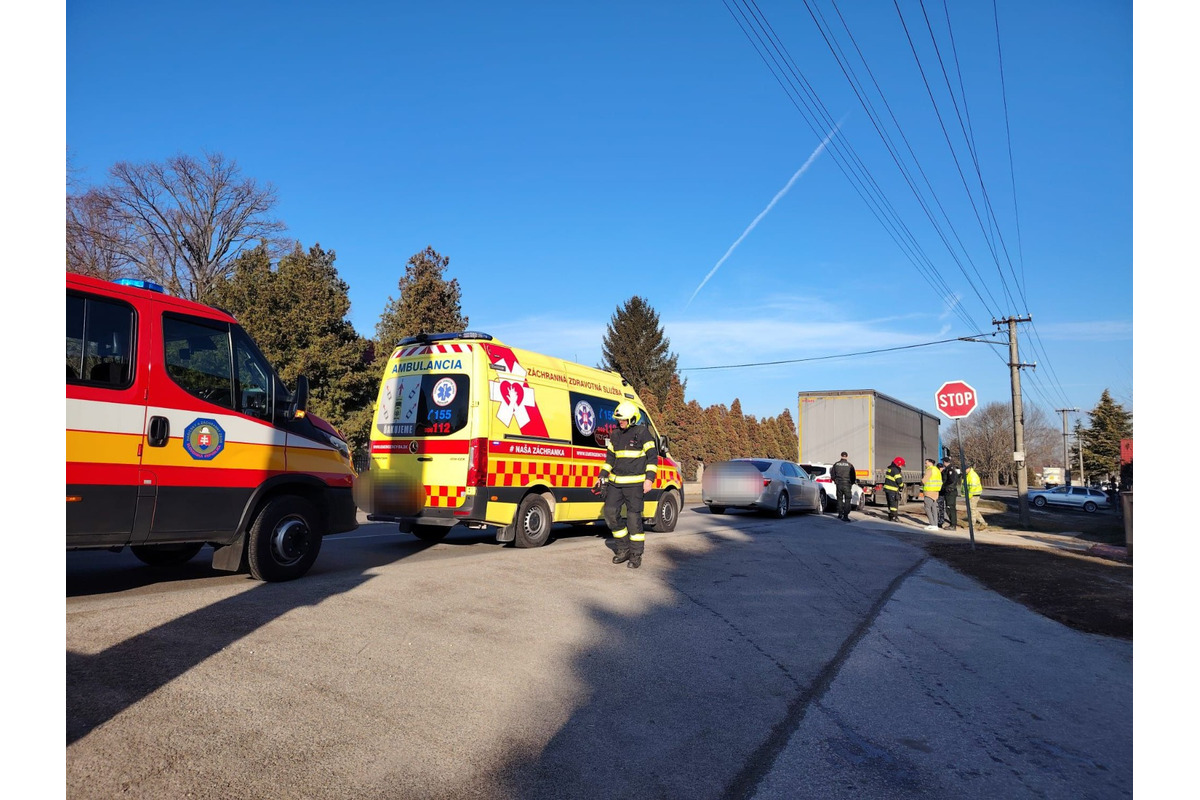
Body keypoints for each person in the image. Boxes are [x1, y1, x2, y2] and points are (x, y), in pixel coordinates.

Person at [597, 400, 658, 569]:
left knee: (633, 520)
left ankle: (636, 554)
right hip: (616, 483)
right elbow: (610, 459)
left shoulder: (642, 432)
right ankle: (623, 549)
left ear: (632, 419)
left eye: (623, 419)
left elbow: (652, 458)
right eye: (618, 419)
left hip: (635, 485)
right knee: (610, 513)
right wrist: (602, 476)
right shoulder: (615, 434)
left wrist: (649, 479)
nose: (620, 422)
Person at [831, 451, 857, 521]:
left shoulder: (836, 464)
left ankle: (840, 514)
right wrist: (851, 483)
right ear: (847, 456)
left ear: (841, 456)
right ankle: (845, 515)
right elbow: (853, 477)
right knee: (847, 500)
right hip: (847, 484)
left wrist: (835, 481)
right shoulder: (850, 465)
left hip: (839, 484)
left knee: (839, 499)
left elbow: (832, 475)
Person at [962, 463, 986, 529]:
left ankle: (972, 524)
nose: (964, 471)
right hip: (971, 494)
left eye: (965, 469)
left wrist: (968, 496)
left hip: (974, 495)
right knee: (973, 509)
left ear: (968, 468)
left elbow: (972, 488)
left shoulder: (972, 476)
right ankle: (983, 523)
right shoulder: (968, 475)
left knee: (972, 510)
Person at [921, 458, 942, 532]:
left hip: (929, 491)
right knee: (934, 508)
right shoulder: (937, 470)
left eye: (926, 463)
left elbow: (924, 480)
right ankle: (935, 524)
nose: (925, 464)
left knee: (927, 507)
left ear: (930, 463)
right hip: (936, 491)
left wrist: (922, 482)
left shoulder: (930, 470)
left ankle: (932, 524)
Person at [883, 456, 905, 521]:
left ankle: (890, 516)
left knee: (890, 504)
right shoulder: (895, 470)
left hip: (888, 489)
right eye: (901, 465)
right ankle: (894, 517)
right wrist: (902, 486)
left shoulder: (890, 469)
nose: (901, 467)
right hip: (892, 490)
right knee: (894, 505)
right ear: (898, 464)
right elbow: (899, 480)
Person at [940, 458, 959, 530]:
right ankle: (952, 524)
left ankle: (953, 525)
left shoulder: (950, 470)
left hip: (950, 491)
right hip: (949, 491)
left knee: (950, 508)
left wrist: (944, 486)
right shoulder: (948, 469)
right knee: (949, 508)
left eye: (943, 462)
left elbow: (951, 480)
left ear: (945, 462)